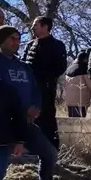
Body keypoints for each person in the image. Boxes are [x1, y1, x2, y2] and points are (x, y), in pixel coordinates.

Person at [0, 26, 61, 180]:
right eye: (12, 38)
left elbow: (35, 90)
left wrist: (36, 106)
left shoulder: (23, 66)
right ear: (1, 40)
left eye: (18, 39)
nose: (16, 42)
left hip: (24, 123)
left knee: (49, 153)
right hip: (1, 125)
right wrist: (18, 109)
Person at [22, 16, 67, 150]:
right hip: (28, 88)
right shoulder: (30, 44)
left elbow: (60, 67)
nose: (32, 27)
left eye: (35, 25)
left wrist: (45, 78)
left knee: (46, 118)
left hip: (46, 89)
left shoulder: (57, 45)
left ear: (45, 26)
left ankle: (51, 149)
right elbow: (23, 64)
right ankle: (29, 148)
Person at [63, 51, 91, 117]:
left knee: (72, 121)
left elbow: (64, 85)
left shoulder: (69, 69)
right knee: (79, 120)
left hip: (69, 100)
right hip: (81, 101)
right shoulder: (84, 69)